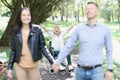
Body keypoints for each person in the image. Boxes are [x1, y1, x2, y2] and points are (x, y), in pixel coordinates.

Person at [52, 2, 113, 80]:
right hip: (80, 72)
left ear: (97, 11)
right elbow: (68, 46)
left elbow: (109, 50)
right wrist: (58, 61)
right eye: (87, 9)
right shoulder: (79, 29)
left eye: (91, 9)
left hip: (97, 72)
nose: (88, 11)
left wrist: (109, 69)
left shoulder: (105, 29)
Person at [7, 7, 55, 80]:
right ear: (20, 17)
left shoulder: (37, 29)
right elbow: (13, 50)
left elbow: (43, 47)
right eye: (24, 15)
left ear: (31, 16)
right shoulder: (16, 31)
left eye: (28, 15)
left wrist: (52, 61)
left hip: (34, 66)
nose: (26, 17)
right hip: (20, 66)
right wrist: (9, 67)